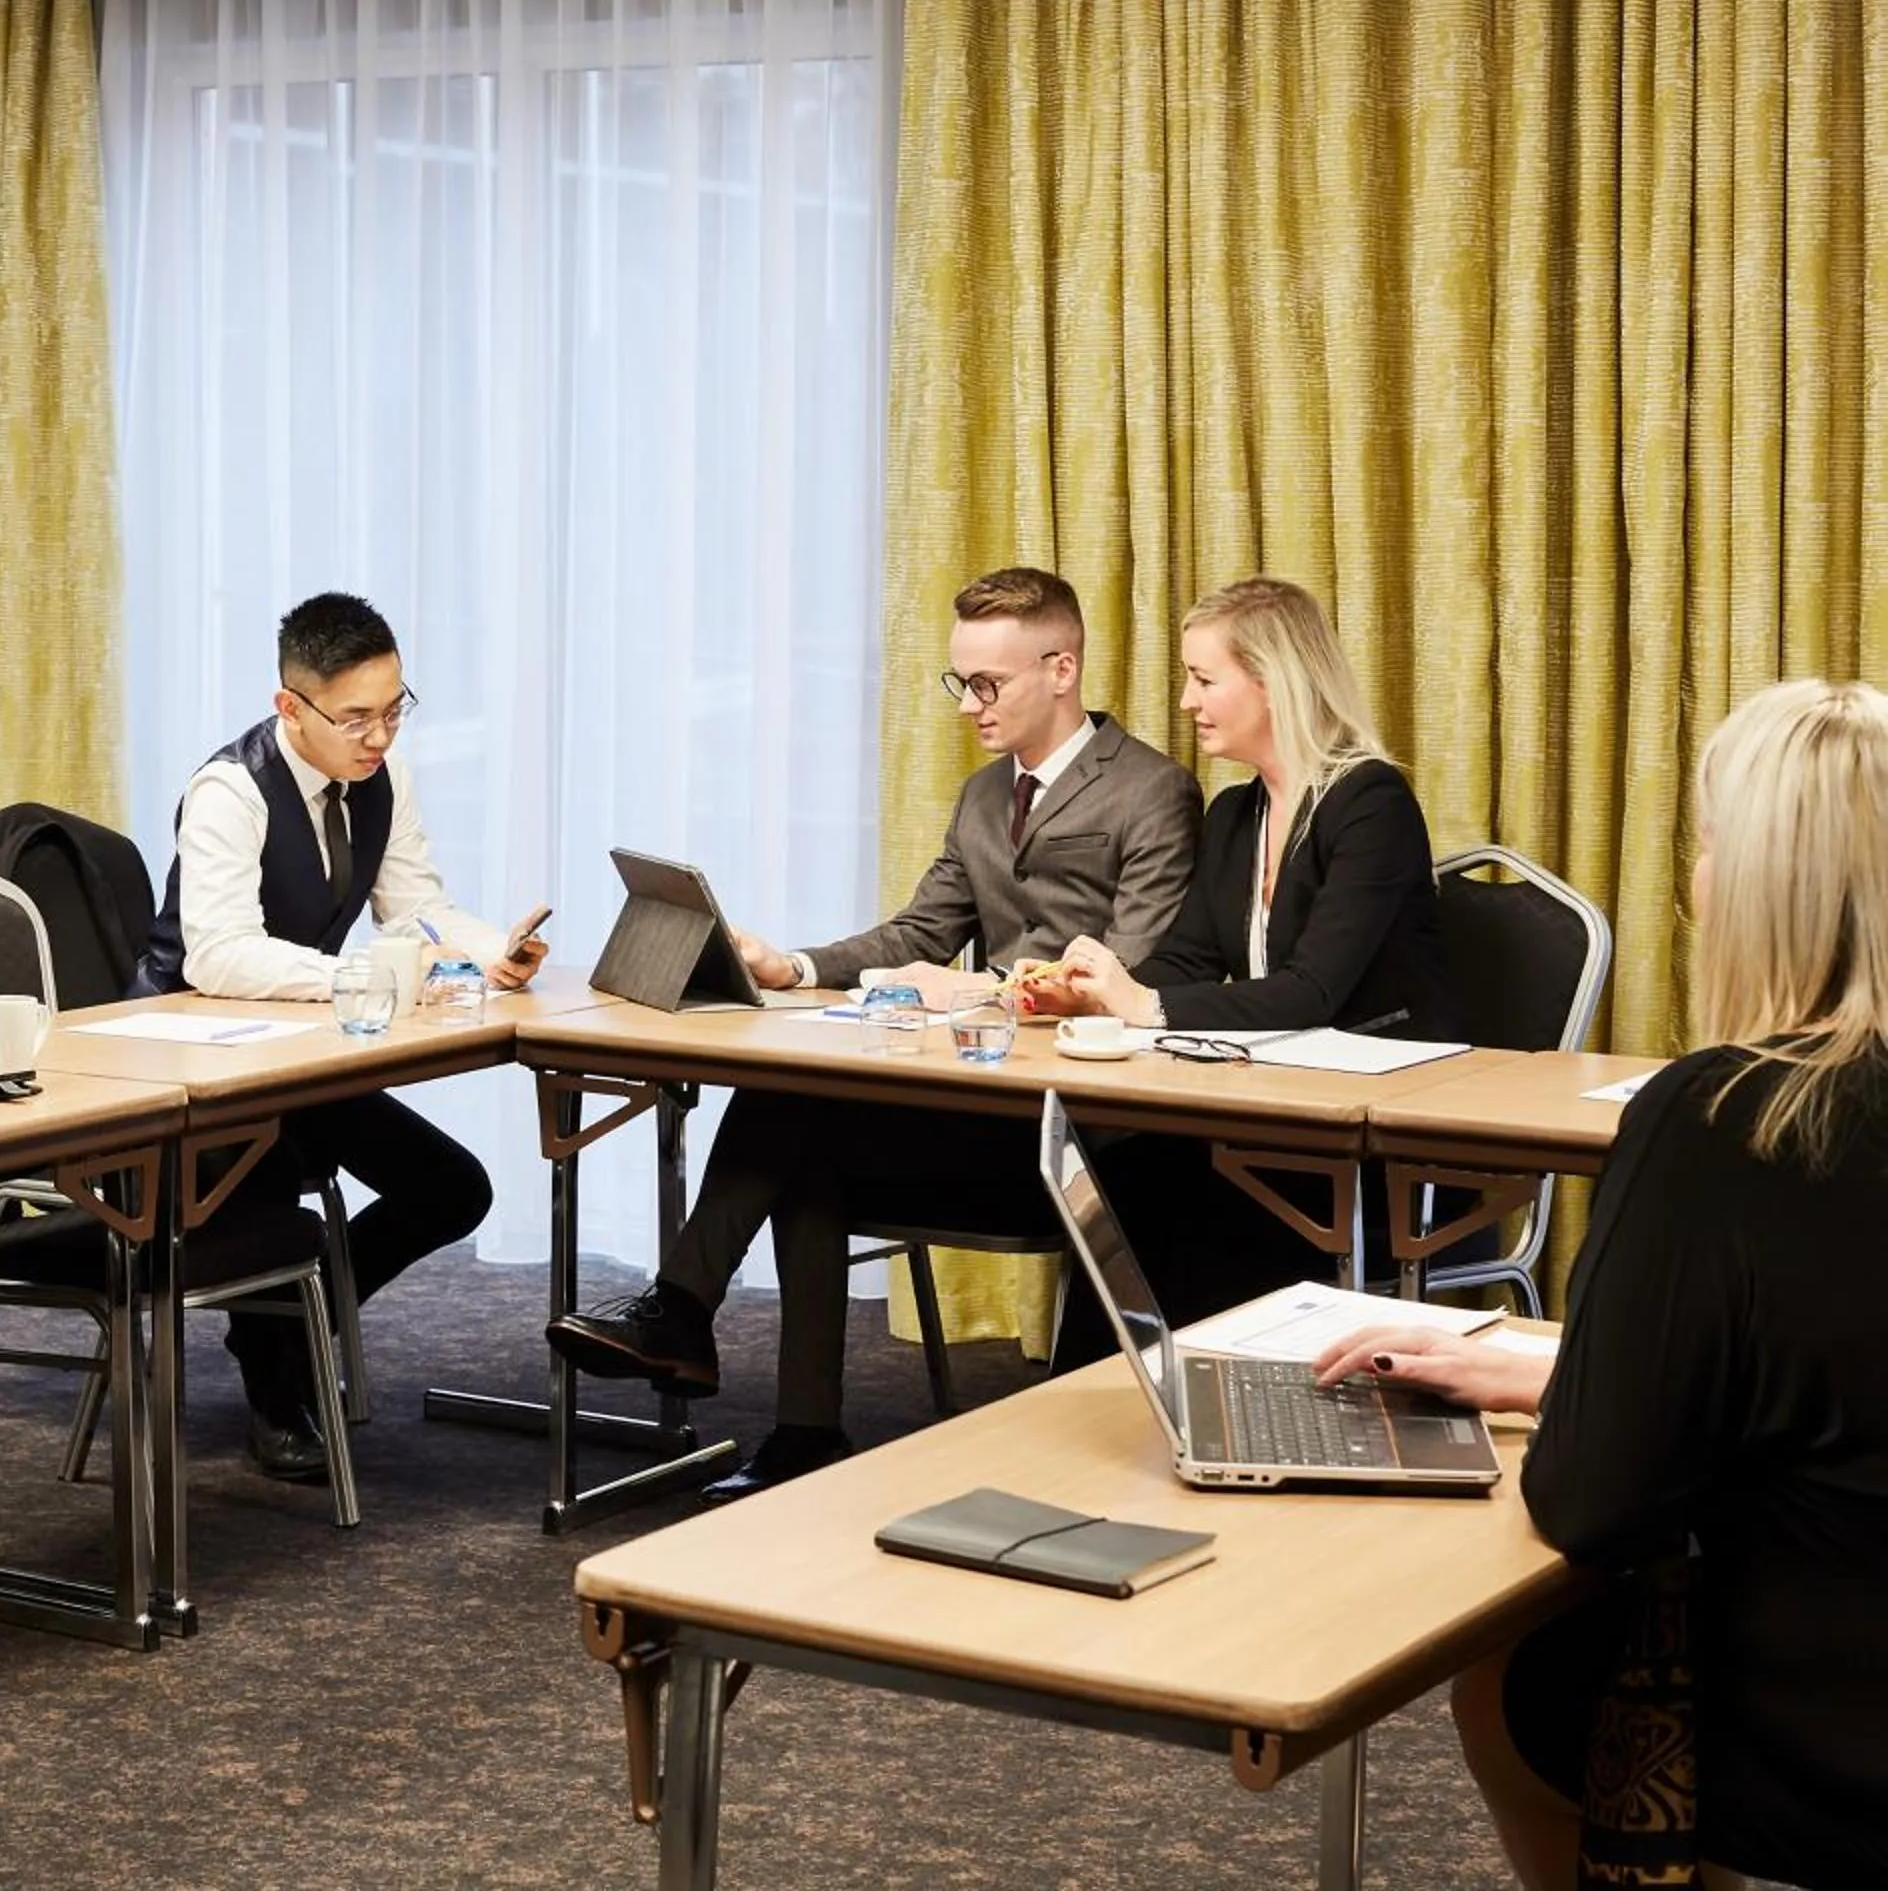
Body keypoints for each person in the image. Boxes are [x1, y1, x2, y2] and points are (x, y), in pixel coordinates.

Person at [1310, 678, 1888, 1891]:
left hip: (1836, 1725)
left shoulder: (1728, 1117)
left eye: (1713, 844)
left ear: (1766, 888)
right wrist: (1555, 1359)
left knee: (1520, 1675)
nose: (1698, 878)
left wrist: (1572, 1396)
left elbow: (1592, 1499)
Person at [544, 567, 1203, 1497]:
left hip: (1080, 1134)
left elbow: (1128, 978)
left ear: (1062, 668)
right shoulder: (983, 796)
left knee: (798, 1118)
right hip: (981, 1103)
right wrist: (796, 969)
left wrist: (970, 992)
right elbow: (917, 933)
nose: (970, 705)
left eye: (989, 684)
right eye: (959, 682)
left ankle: (688, 1319)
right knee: (800, 1112)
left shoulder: (1152, 792)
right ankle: (790, 1421)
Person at [130, 592, 548, 1482]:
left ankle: (299, 1322)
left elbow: (419, 909)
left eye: (394, 710)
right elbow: (218, 954)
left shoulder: (381, 781)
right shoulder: (229, 790)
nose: (380, 737)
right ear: (292, 707)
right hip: (191, 1067)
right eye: (356, 717)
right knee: (274, 1186)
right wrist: (367, 979)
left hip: (301, 1052)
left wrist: (490, 951)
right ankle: (278, 1384)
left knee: (449, 1188)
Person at [1032, 575, 1459, 1361]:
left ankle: (1192, 1401)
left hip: (1381, 1138)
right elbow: (1186, 959)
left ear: (1274, 682)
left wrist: (1145, 1006)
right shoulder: (1236, 813)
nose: (1188, 702)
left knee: (1164, 1182)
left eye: (1203, 679)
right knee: (1122, 1166)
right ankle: (1102, 1414)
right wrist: (1093, 992)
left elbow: (1314, 992)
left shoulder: (1371, 802)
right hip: (1273, 1110)